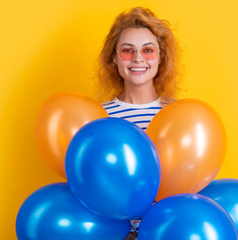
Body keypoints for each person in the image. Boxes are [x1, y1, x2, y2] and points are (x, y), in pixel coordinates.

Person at [95, 7, 182, 240]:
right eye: (127, 50)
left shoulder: (178, 116)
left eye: (148, 50)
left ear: (160, 57)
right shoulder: (99, 118)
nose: (138, 59)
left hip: (169, 232)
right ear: (114, 58)